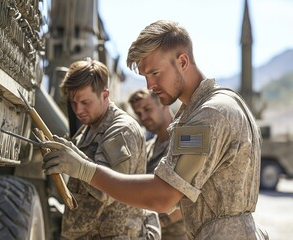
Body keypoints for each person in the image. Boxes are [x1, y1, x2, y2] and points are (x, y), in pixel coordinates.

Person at [42, 20, 269, 239]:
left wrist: (83, 169)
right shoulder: (215, 106)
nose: (150, 85)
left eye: (155, 73)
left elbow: (164, 197)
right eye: (145, 77)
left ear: (182, 62)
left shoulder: (210, 114)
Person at [49, 58, 160, 240]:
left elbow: (110, 191)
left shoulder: (120, 131)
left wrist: (77, 163)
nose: (78, 110)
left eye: (85, 102)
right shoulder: (88, 128)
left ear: (105, 95)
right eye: (74, 102)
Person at [128, 88, 188, 240]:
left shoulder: (183, 143)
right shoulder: (148, 149)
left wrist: (156, 223)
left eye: (147, 109)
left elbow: (189, 197)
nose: (144, 117)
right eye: (139, 113)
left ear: (163, 104)